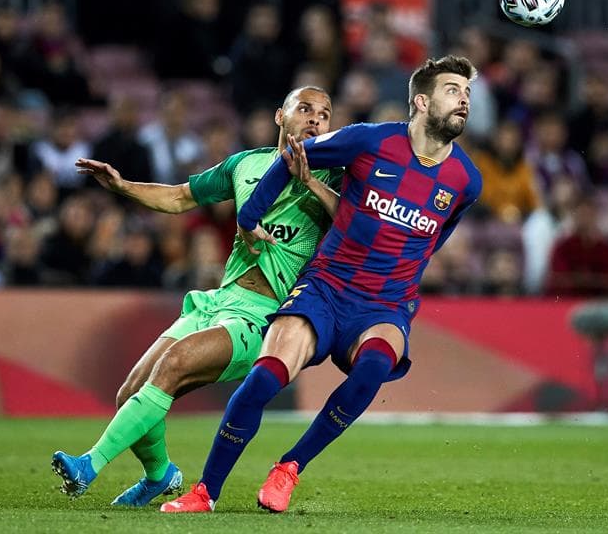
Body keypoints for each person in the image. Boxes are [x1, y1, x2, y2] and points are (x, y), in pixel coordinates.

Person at [161, 55, 482, 514]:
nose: (464, 100)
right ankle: (205, 492)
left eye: (467, 93)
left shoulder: (466, 181)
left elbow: (431, 241)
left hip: (385, 305)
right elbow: (294, 157)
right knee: (264, 378)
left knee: (373, 369)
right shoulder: (369, 141)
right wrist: (249, 218)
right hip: (327, 288)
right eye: (453, 90)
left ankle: (290, 466)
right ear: (422, 101)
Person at [50, 86, 341, 507]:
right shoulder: (246, 165)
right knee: (129, 393)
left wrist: (310, 181)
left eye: (325, 114)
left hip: (267, 317)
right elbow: (180, 196)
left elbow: (352, 221)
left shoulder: (335, 175)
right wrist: (121, 185)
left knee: (173, 365)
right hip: (219, 301)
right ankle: (159, 475)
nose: (315, 119)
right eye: (305, 109)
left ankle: (88, 466)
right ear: (281, 116)